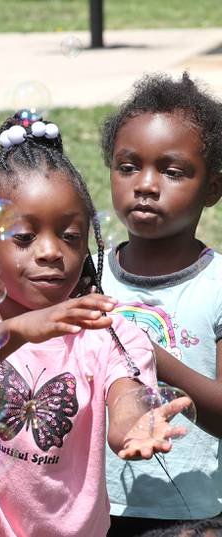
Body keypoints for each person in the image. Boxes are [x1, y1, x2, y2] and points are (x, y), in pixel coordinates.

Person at [0, 113, 190, 536]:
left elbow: (125, 398)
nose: (51, 252)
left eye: (70, 236)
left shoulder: (108, 333)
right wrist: (26, 328)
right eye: (24, 238)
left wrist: (134, 422)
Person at [100, 72, 222, 536]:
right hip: (91, 507)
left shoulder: (216, 285)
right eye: (128, 166)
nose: (146, 184)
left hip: (193, 515)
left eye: (172, 171)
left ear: (213, 188)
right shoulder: (85, 277)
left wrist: (151, 358)